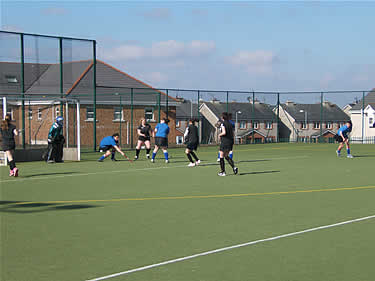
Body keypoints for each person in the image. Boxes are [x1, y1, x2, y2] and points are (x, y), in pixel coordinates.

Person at [218, 112, 238, 176]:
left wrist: (219, 135)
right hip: (230, 141)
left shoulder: (223, 124)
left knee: (221, 155)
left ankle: (223, 172)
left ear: (222, 117)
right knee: (226, 156)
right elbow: (232, 133)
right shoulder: (230, 124)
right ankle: (234, 167)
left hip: (225, 141)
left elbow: (224, 132)